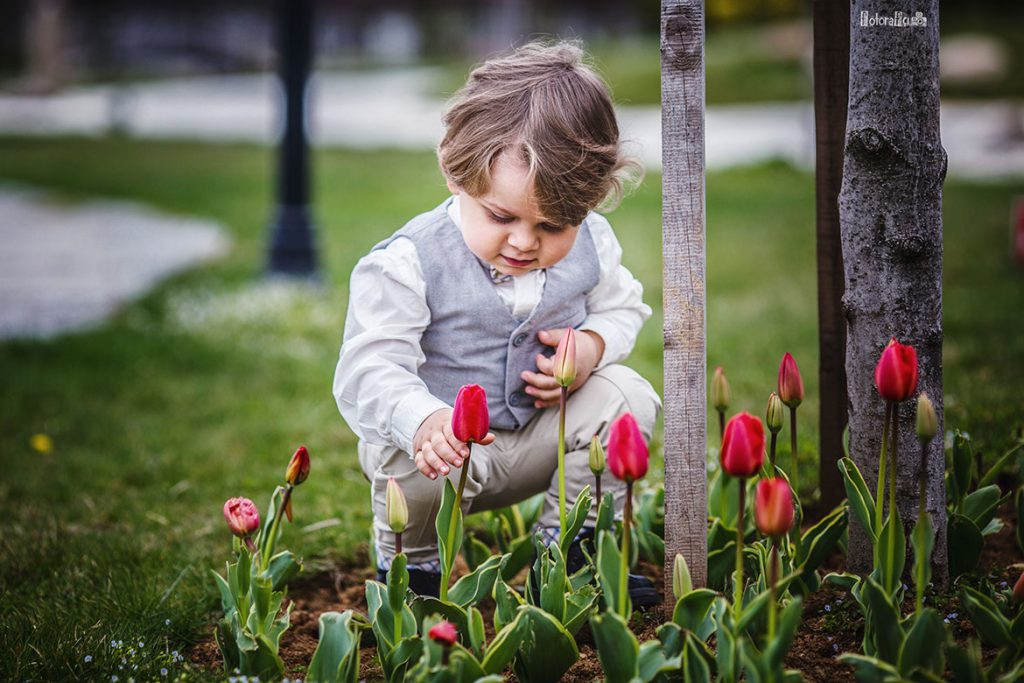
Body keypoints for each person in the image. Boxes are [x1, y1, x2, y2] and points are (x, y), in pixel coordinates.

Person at [333, 40, 661, 603]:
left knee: (627, 395)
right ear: (456, 173)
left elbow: (624, 306)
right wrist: (422, 419)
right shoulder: (408, 263)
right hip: (444, 456)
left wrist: (593, 345)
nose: (524, 242)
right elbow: (369, 367)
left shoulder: (593, 245)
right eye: (501, 216)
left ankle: (569, 555)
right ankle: (414, 574)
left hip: (542, 437)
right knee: (400, 452)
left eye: (554, 225)